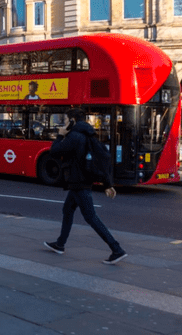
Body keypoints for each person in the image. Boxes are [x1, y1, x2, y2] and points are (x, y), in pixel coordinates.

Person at [44, 108, 128, 265]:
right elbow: (101, 159)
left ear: (73, 121)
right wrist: (107, 184)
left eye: (67, 120)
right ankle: (60, 244)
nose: (65, 123)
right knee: (67, 210)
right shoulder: (89, 134)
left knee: (91, 217)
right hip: (81, 180)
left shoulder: (74, 136)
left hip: (78, 182)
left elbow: (54, 151)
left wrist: (60, 135)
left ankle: (116, 249)